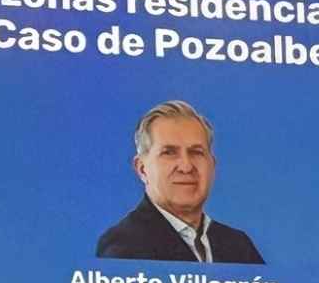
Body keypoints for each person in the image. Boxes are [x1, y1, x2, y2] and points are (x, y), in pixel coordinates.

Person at [96, 101, 265, 264]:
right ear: (142, 169)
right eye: (169, 152)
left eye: (196, 152)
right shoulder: (123, 248)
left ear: (212, 165)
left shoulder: (240, 247)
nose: (186, 166)